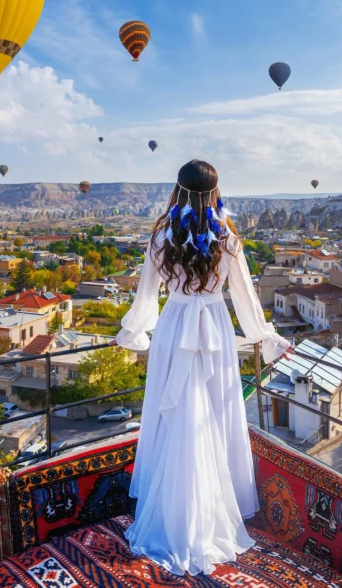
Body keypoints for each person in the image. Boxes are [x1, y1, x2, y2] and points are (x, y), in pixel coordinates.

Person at [117, 159, 290, 576]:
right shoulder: (227, 238)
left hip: (175, 329)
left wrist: (133, 331)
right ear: (216, 193)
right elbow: (245, 296)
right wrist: (263, 337)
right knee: (214, 413)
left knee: (171, 412)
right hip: (213, 330)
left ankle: (170, 511)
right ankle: (213, 511)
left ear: (176, 191)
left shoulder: (161, 236)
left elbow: (146, 295)